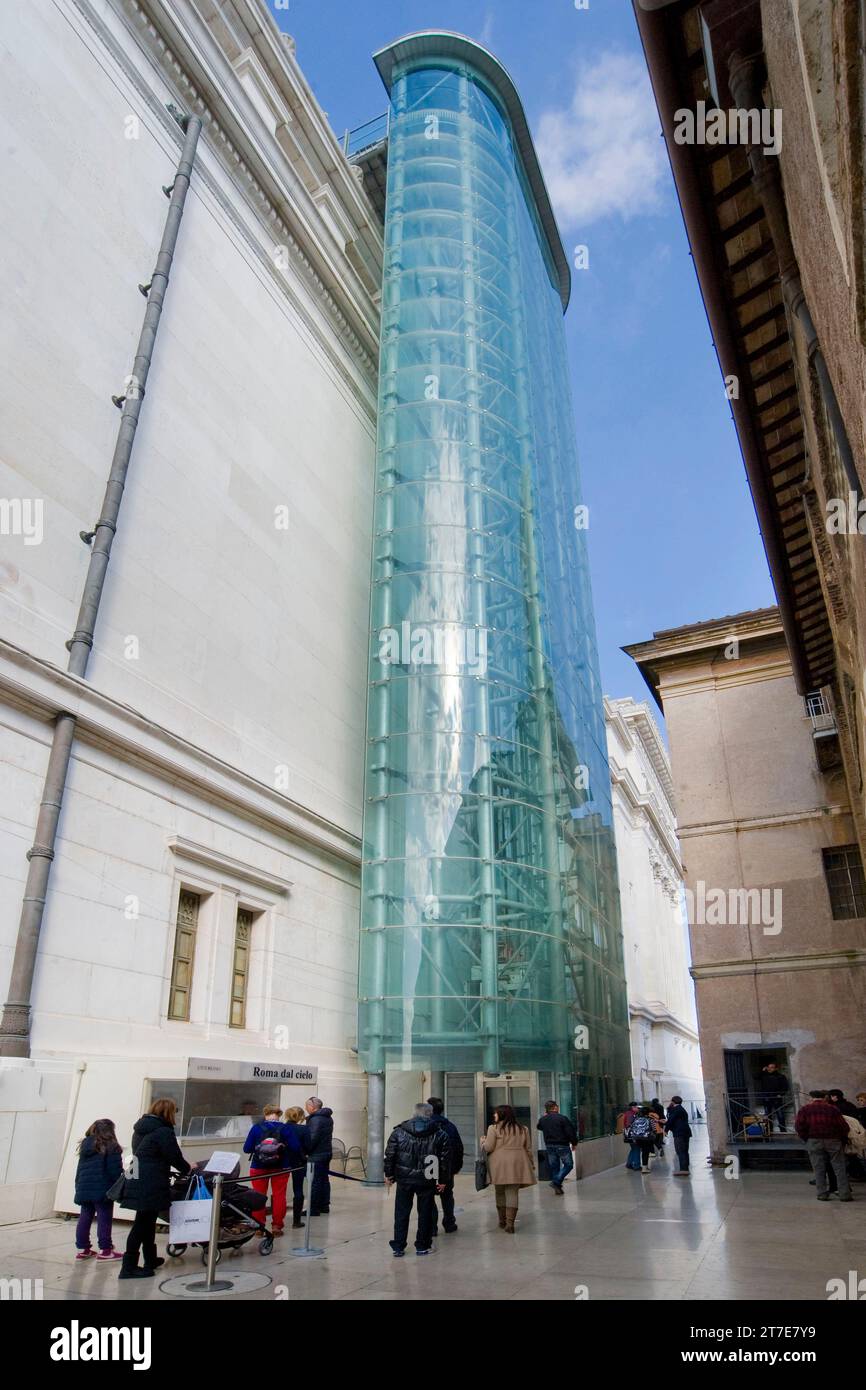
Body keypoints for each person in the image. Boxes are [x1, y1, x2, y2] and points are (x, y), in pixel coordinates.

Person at [119, 1097, 190, 1279]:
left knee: (147, 1221)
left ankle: (150, 1258)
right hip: (152, 1181)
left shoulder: (140, 1128)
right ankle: (128, 1267)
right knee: (141, 1224)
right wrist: (188, 1168)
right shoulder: (163, 1131)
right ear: (168, 1113)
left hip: (138, 1177)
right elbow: (174, 1155)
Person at [384, 1102, 451, 1257]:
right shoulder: (440, 1134)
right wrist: (442, 1180)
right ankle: (422, 1245)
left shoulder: (399, 1132)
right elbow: (444, 1160)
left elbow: (390, 1155)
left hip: (404, 1179)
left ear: (413, 1113)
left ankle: (398, 1247)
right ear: (430, 1114)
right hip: (427, 1179)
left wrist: (389, 1175)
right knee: (425, 1213)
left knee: (401, 1213)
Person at [243, 1104, 302, 1237]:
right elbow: (296, 1147)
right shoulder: (285, 1128)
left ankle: (259, 1227)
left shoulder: (256, 1128)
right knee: (279, 1195)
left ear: (265, 1114)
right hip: (281, 1167)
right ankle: (276, 1226)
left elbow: (246, 1149)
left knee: (258, 1196)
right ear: (279, 1114)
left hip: (258, 1167)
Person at [73, 1119, 124, 1261]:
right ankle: (106, 1250)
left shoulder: (85, 1145)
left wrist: (78, 1186)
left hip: (84, 1187)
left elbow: (79, 1170)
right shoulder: (112, 1146)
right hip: (103, 1189)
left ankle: (83, 1249)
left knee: (85, 1217)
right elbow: (115, 1171)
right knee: (104, 1218)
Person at [481, 1104, 537, 1233]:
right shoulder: (523, 1129)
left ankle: (502, 1221)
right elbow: (528, 1148)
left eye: (496, 1113)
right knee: (512, 1192)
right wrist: (531, 1163)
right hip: (518, 1163)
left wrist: (482, 1142)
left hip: (498, 1164)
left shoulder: (493, 1128)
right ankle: (510, 1224)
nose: (494, 1115)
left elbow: (489, 1147)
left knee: (500, 1192)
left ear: (501, 1114)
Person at [794, 1090, 853, 1201]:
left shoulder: (805, 1109)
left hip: (814, 1140)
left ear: (811, 1098)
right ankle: (844, 1194)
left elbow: (799, 1126)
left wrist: (806, 1138)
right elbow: (844, 1126)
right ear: (824, 1097)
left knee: (818, 1168)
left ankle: (822, 1193)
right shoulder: (833, 1109)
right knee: (840, 1167)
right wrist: (840, 1138)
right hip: (833, 1140)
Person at [427, 1097, 463, 1235]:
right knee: (447, 1196)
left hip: (428, 1168)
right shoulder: (450, 1126)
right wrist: (455, 1168)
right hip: (447, 1168)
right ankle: (449, 1223)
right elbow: (458, 1148)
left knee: (429, 1197)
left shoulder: (425, 1126)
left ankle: (431, 1227)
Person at [536, 1099, 577, 1193]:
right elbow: (570, 1131)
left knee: (555, 1167)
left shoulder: (543, 1119)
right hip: (562, 1145)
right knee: (569, 1164)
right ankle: (556, 1181)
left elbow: (539, 1127)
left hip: (549, 1145)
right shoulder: (562, 1118)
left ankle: (557, 1188)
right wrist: (574, 1143)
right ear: (555, 1107)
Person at [305, 1096, 334, 1216]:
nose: (306, 1108)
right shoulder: (327, 1118)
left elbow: (313, 1138)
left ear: (312, 1107)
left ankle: (313, 1208)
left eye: (307, 1106)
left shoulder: (316, 1119)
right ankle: (324, 1205)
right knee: (324, 1179)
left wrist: (306, 1151)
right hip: (326, 1152)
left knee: (315, 1181)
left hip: (316, 1154)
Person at [283, 1105, 311, 1228]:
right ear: (300, 1117)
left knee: (279, 1192)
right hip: (298, 1162)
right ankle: (296, 1221)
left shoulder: (282, 1128)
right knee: (298, 1190)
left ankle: (278, 1220)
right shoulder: (304, 1129)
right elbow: (308, 1146)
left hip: (282, 1162)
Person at [665, 1095, 692, 1176]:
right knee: (685, 1150)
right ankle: (685, 1167)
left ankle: (683, 1169)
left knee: (680, 1150)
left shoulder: (675, 1109)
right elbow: (675, 1120)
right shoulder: (681, 1109)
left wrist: (665, 1130)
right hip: (686, 1132)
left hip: (679, 1133)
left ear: (673, 1101)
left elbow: (671, 1120)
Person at [760, 1062, 790, 1132]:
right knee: (768, 1115)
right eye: (769, 1067)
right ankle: (769, 1131)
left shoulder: (781, 1076)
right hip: (766, 1098)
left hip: (777, 1098)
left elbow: (785, 1087)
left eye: (772, 1067)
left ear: (776, 1068)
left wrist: (781, 1094)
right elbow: (756, 1077)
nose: (770, 1069)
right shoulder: (764, 1076)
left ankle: (783, 1131)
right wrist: (763, 1071)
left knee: (780, 1115)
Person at [627, 1105, 656, 1172]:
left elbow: (631, 1127)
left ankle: (635, 1164)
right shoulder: (650, 1119)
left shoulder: (636, 1119)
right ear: (648, 1113)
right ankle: (644, 1168)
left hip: (637, 1138)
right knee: (645, 1153)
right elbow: (654, 1129)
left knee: (637, 1150)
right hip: (646, 1138)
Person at [621, 1101, 642, 1170]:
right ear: (633, 1107)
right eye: (636, 1107)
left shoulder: (629, 1113)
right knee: (636, 1149)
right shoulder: (631, 1114)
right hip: (633, 1135)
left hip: (630, 1135)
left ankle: (629, 1163)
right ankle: (636, 1165)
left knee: (633, 1149)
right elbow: (628, 1124)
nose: (638, 1108)